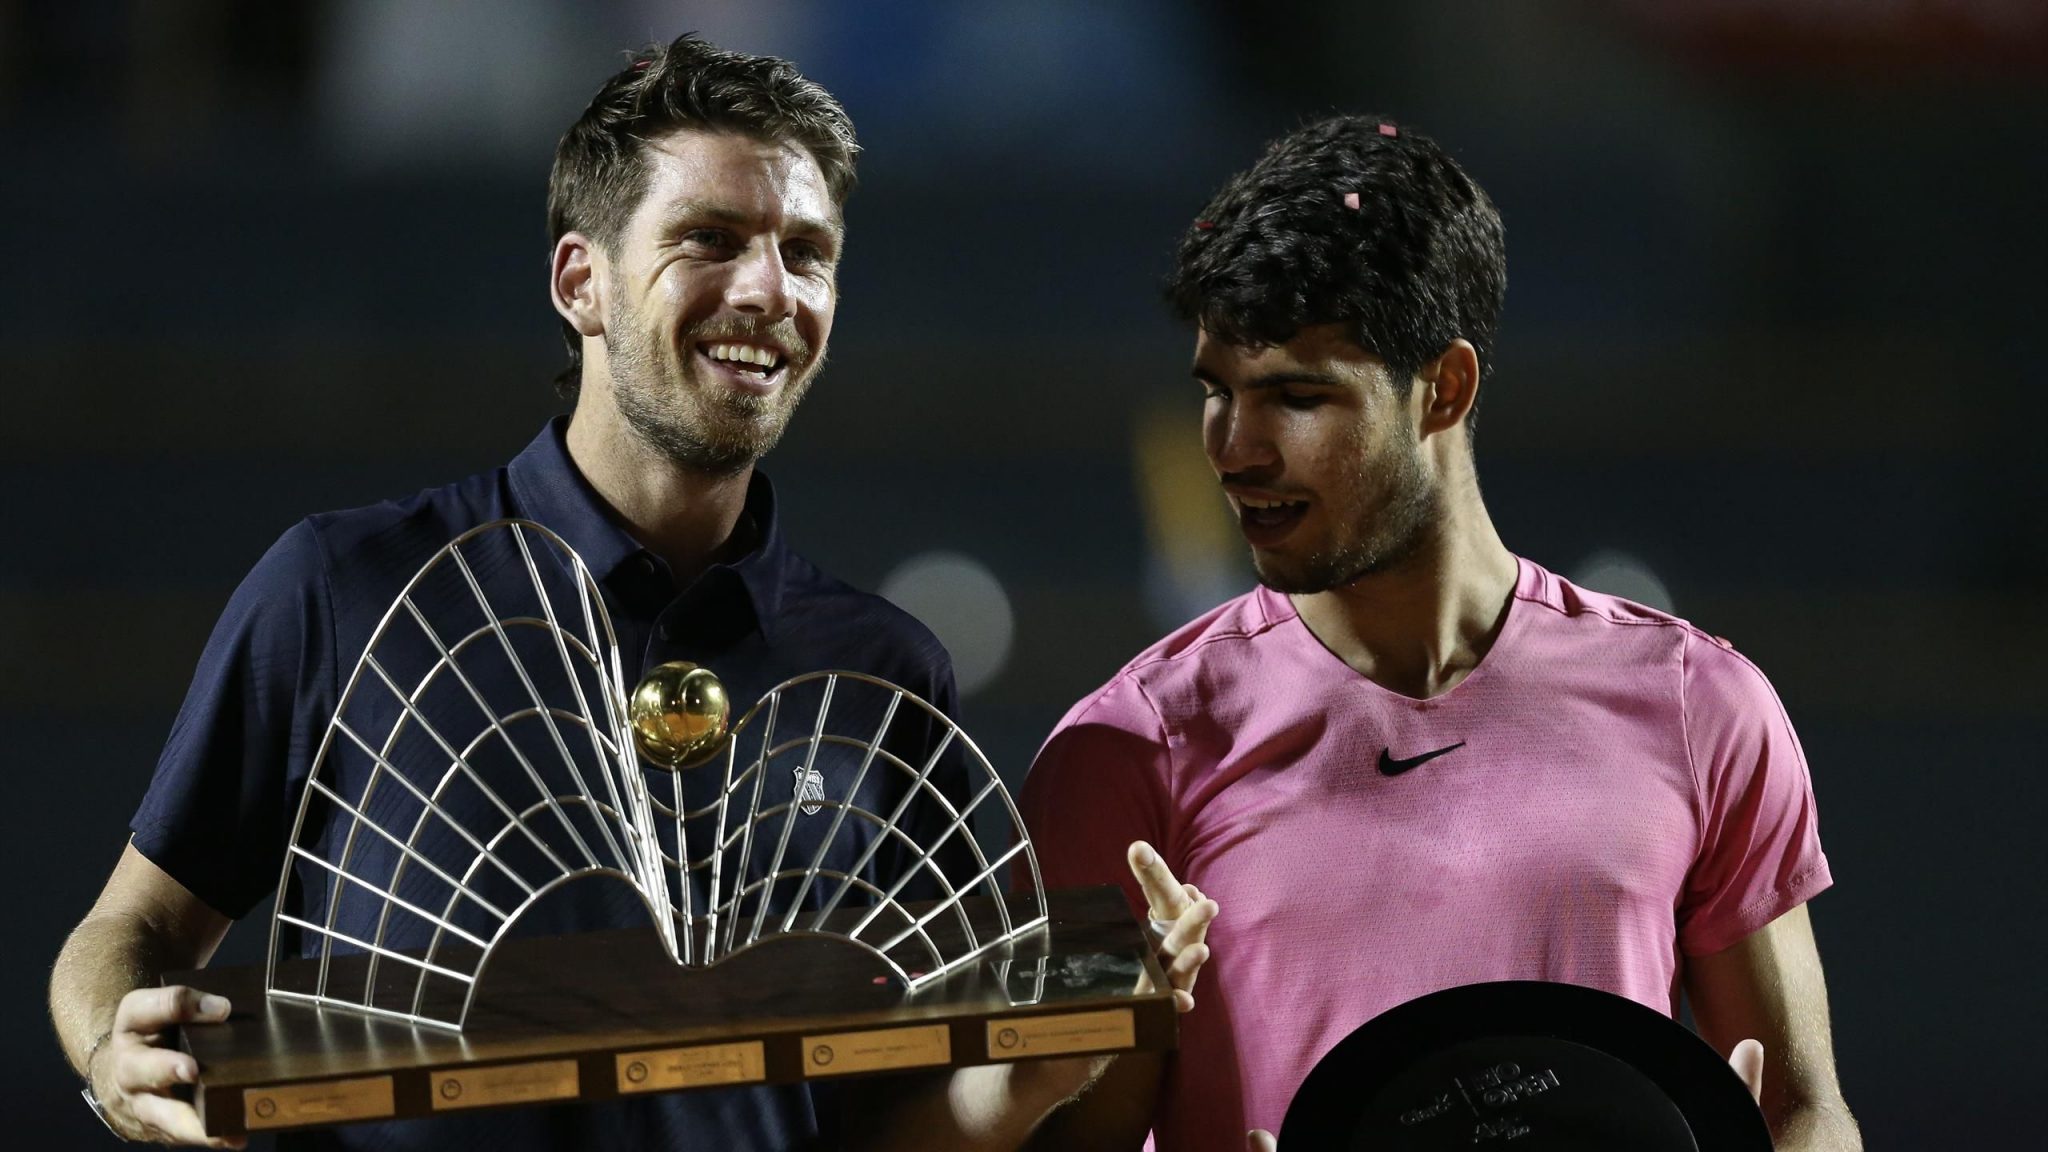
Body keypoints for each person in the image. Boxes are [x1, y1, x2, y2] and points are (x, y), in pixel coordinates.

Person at [48, 35, 1214, 1151]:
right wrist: (110, 1048)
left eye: (806, 253)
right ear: (581, 280)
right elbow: (133, 927)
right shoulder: (340, 587)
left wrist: (1026, 1082)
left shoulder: (888, 672)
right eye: (710, 238)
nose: (768, 289)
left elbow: (889, 1132)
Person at [1019, 115, 1861, 1151]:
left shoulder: (1700, 705)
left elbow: (1801, 1108)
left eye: (1293, 396)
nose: (1231, 448)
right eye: (1214, 392)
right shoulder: (1126, 753)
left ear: (1443, 388)